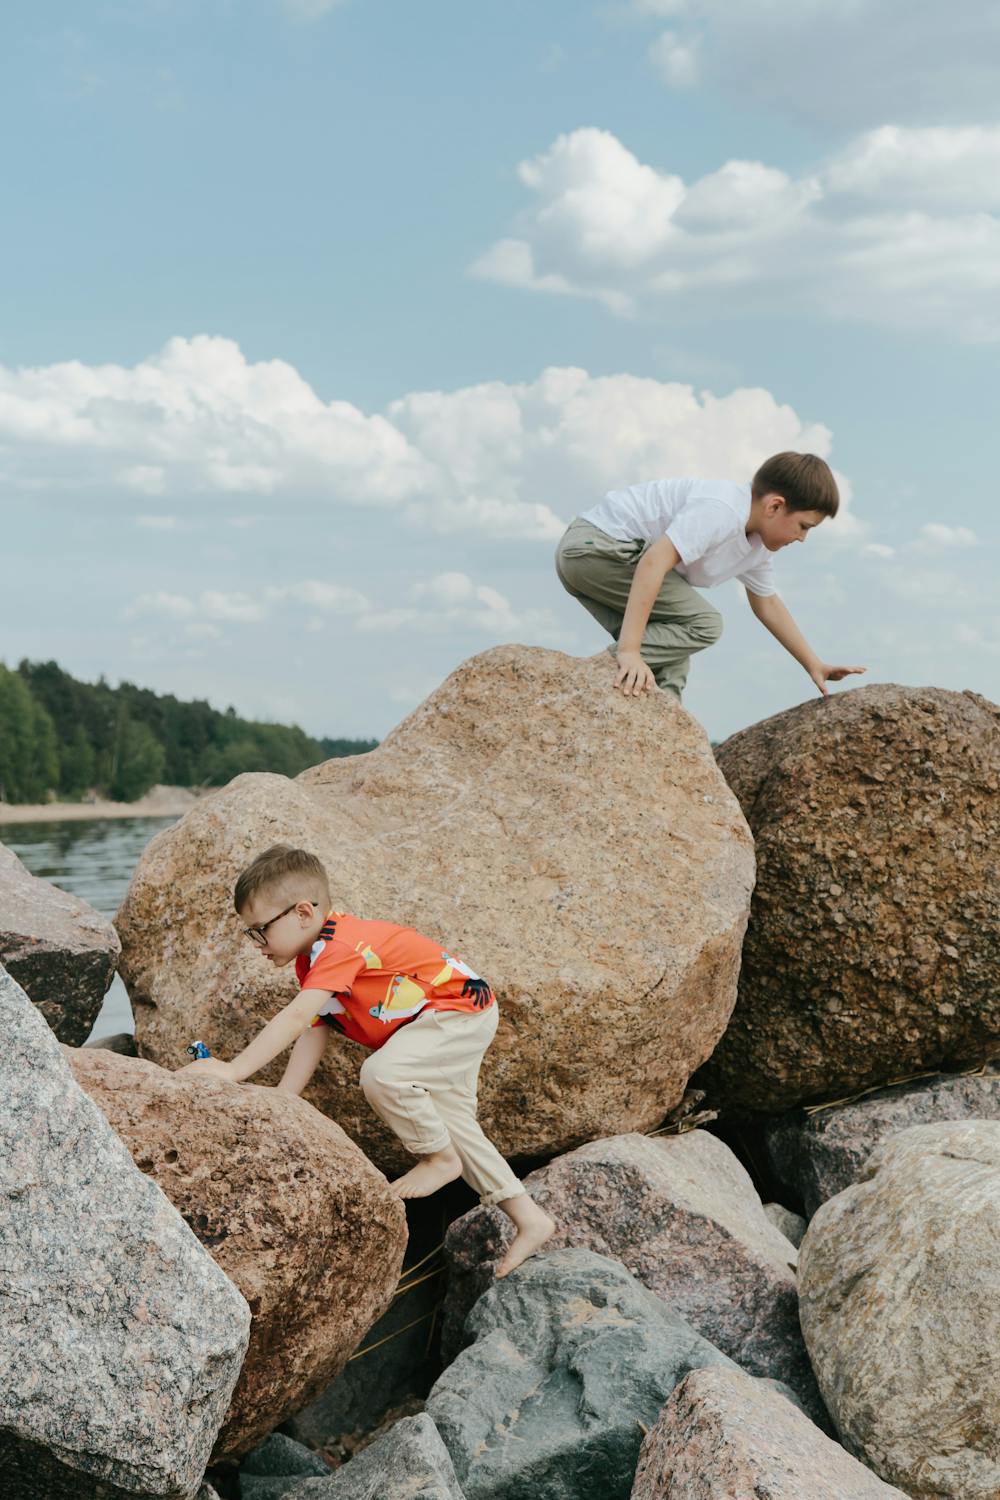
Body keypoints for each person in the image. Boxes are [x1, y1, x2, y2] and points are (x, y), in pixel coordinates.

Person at [178, 843, 554, 1278]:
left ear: (303, 913)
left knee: (383, 1074)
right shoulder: (312, 961)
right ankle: (529, 1218)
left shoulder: (340, 946)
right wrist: (284, 1098)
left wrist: (235, 1069)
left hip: (457, 1011)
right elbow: (314, 1028)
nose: (257, 944)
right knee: (454, 1127)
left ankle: (439, 1160)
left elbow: (298, 1014)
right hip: (451, 1019)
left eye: (259, 931)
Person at [555, 450, 866, 702]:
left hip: (593, 559)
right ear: (775, 505)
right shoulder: (723, 509)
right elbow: (653, 562)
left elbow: (768, 604)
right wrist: (629, 650)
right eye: (804, 526)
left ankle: (664, 738)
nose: (802, 539)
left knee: (672, 660)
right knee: (703, 623)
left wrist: (813, 663)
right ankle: (584, 684)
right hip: (597, 547)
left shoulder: (757, 546)